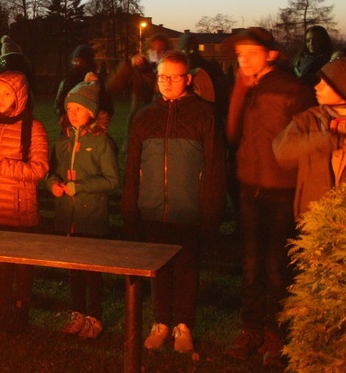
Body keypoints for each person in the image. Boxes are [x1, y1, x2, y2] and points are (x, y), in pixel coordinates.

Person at [121, 50, 225, 353]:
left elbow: (216, 166)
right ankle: (161, 321)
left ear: (187, 79)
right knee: (159, 268)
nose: (166, 82)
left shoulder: (204, 115)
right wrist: (131, 208)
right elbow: (132, 167)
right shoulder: (144, 117)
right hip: (152, 207)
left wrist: (210, 211)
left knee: (186, 267)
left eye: (174, 77)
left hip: (188, 209)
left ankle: (183, 325)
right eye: (162, 76)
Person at [224, 27, 316, 367]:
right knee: (250, 264)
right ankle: (250, 328)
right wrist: (239, 89)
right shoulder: (246, 88)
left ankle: (275, 333)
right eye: (239, 54)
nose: (243, 59)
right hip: (250, 188)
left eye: (250, 52)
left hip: (282, 191)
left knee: (277, 266)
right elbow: (232, 133)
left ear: (271, 54)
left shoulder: (293, 90)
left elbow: (306, 141)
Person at [0, 71, 49, 334]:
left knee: (22, 264)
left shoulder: (33, 128)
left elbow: (39, 169)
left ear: (20, 95)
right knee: (0, 263)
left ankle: (21, 309)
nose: (1, 99)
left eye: (7, 94)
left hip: (20, 206)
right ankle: (1, 308)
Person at [47, 79, 119, 340]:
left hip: (92, 218)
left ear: (91, 112)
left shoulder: (101, 143)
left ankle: (94, 316)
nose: (73, 114)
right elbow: (51, 172)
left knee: (92, 272)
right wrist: (52, 184)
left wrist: (81, 187)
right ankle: (77, 312)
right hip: (68, 218)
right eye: (69, 109)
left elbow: (112, 180)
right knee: (74, 270)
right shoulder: (62, 142)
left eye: (78, 109)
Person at [273, 57, 346, 219]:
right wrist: (327, 140)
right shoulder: (308, 119)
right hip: (314, 216)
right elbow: (282, 152)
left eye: (326, 84)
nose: (317, 87)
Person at [106, 33, 170, 138]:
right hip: (138, 124)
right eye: (153, 50)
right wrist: (129, 66)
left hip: (162, 126)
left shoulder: (171, 72)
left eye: (161, 50)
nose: (157, 54)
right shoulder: (139, 70)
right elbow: (112, 86)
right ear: (147, 52)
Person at [54, 44, 114, 127]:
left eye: (79, 60)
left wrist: (96, 124)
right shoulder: (68, 81)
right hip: (71, 129)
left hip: (92, 129)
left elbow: (107, 108)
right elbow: (59, 105)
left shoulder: (97, 82)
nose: (77, 63)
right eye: (75, 61)